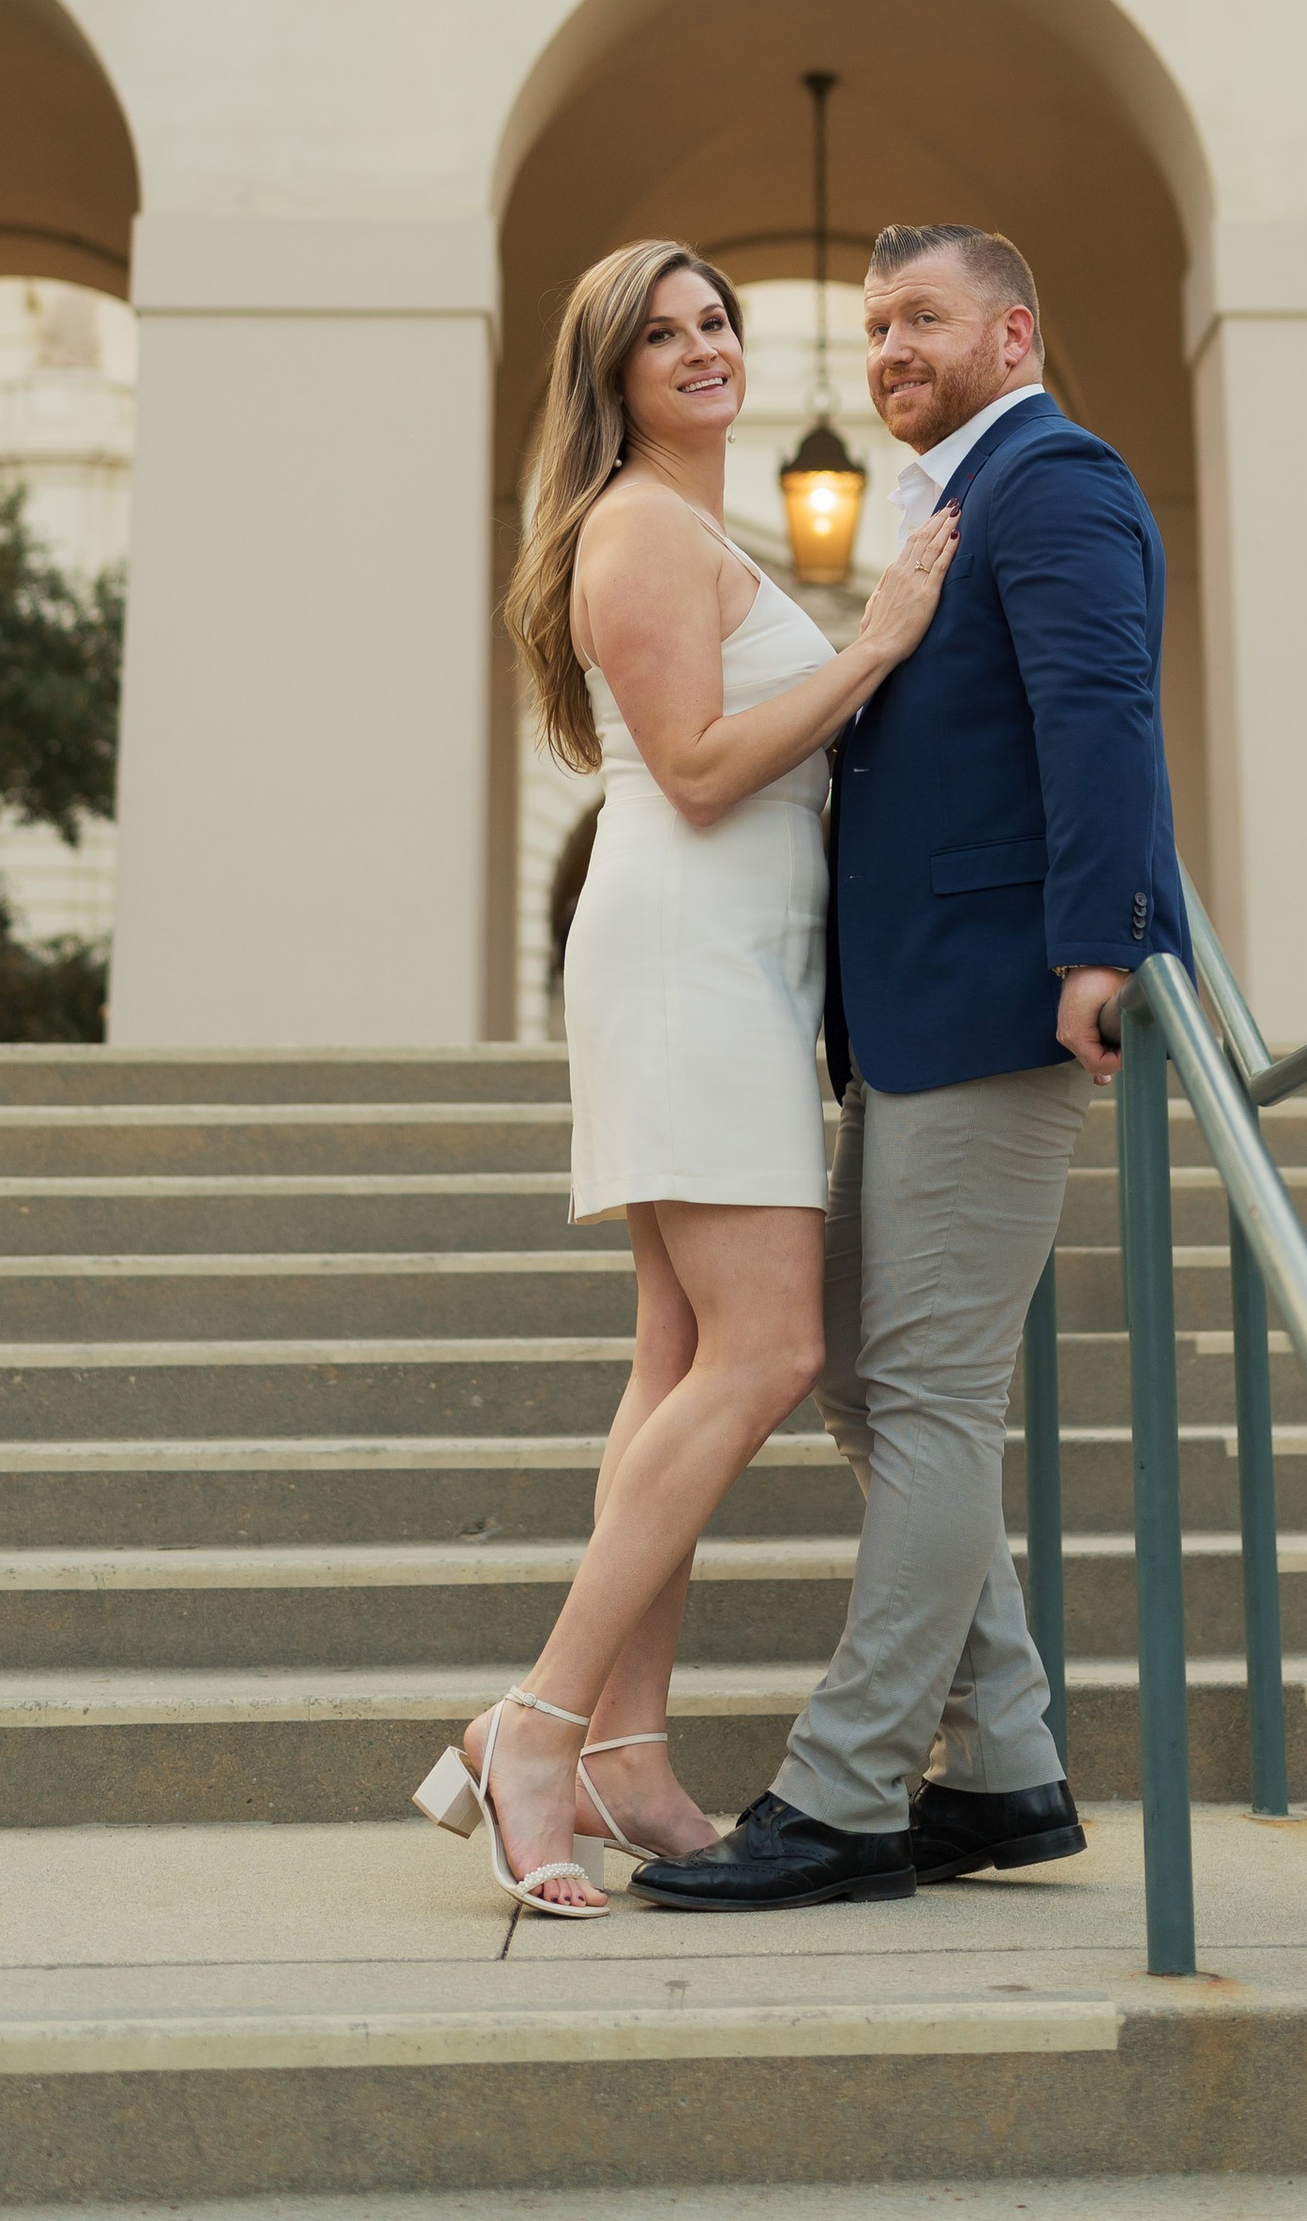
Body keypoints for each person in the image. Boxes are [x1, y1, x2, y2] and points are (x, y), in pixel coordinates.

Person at [632, 221, 1191, 1913]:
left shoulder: (1058, 479)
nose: (890, 346)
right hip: (911, 1018)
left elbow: (1103, 707)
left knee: (933, 1395)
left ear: (1015, 333)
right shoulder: (955, 498)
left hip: (1007, 1004)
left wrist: (1106, 946)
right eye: (875, 324)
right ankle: (1005, 1760)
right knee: (869, 1385)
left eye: (925, 317)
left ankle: (851, 1790)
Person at [412, 238, 957, 1919]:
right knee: (775, 1344)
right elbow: (709, 772)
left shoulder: (684, 527)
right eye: (665, 334)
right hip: (688, 963)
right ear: (615, 376)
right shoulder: (639, 527)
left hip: (730, 970)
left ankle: (623, 1754)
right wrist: (874, 647)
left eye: (715, 320)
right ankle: (539, 1724)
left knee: (678, 1360)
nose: (704, 347)